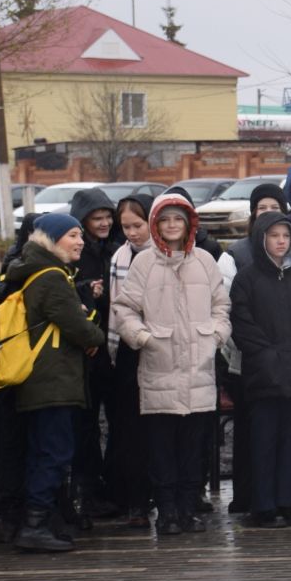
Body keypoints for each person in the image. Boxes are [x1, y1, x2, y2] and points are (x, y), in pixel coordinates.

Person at [110, 194, 229, 536]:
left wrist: (216, 335)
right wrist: (143, 338)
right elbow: (125, 308)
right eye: (165, 220)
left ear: (189, 223)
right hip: (158, 366)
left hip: (199, 368)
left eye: (179, 219)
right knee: (162, 447)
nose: (172, 225)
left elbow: (222, 305)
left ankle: (188, 509)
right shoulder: (144, 264)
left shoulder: (205, 261)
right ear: (156, 224)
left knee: (194, 447)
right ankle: (167, 512)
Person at [7, 214, 105, 553]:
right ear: (52, 240)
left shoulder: (35, 271)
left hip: (40, 380)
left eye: (80, 235)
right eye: (72, 235)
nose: (80, 241)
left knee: (41, 451)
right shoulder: (51, 278)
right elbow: (85, 332)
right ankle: (35, 525)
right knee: (54, 452)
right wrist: (93, 328)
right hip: (53, 381)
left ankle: (39, 520)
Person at [229, 211, 291, 527]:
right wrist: (268, 358)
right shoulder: (247, 280)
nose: (281, 241)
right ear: (261, 238)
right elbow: (243, 326)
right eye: (274, 235)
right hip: (264, 377)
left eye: (286, 236)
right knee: (264, 441)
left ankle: (289, 502)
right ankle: (264, 505)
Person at [68, 186, 122, 517]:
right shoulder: (77, 252)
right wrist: (87, 290)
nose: (103, 223)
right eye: (96, 218)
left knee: (116, 422)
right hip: (86, 351)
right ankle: (88, 491)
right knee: (86, 425)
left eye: (106, 217)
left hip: (112, 348)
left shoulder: (114, 249)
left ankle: (111, 486)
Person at [105, 194, 155, 527]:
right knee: (127, 429)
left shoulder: (164, 255)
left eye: (138, 225)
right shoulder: (119, 258)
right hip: (125, 346)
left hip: (159, 344)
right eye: (126, 227)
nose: (132, 233)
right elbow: (115, 307)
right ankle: (132, 499)